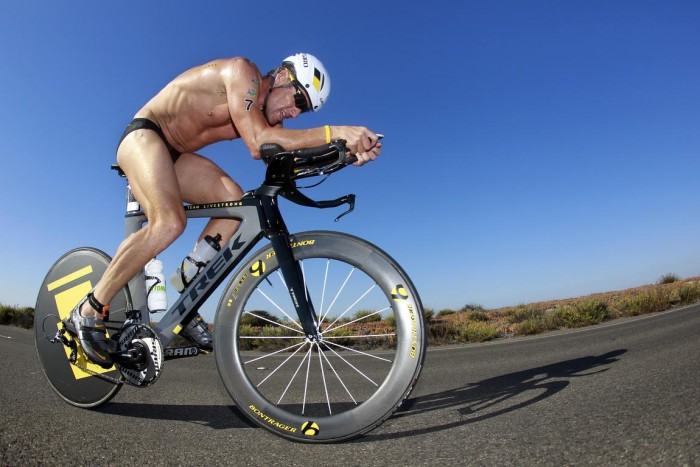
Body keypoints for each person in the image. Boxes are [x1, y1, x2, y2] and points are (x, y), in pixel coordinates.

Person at [70, 53, 382, 368]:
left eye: (303, 110)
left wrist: (344, 154)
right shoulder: (242, 73)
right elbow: (259, 142)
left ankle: (185, 296)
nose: (295, 113)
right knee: (169, 223)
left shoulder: (273, 121)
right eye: (299, 100)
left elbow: (284, 158)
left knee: (234, 202)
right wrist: (336, 131)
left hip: (176, 156)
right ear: (284, 77)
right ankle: (89, 310)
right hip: (145, 135)